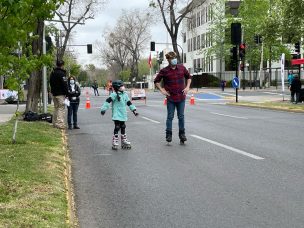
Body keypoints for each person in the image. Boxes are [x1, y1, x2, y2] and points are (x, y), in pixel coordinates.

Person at [154, 51, 192, 143]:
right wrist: (162, 90)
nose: (174, 59)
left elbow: (189, 77)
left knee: (181, 116)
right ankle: (168, 134)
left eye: (175, 57)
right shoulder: (164, 71)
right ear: (168, 60)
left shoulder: (182, 68)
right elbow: (156, 81)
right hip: (171, 97)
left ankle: (182, 135)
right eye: (172, 58)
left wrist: (187, 87)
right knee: (170, 117)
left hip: (181, 97)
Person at [100, 80, 138, 150]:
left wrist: (134, 110)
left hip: (123, 113)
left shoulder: (125, 94)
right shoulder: (114, 94)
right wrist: (103, 109)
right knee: (117, 127)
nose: (123, 87)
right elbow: (107, 101)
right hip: (116, 113)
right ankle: (115, 140)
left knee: (123, 126)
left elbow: (129, 103)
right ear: (117, 87)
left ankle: (124, 140)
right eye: (121, 86)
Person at [50, 60, 68, 129]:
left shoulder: (53, 73)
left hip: (54, 93)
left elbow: (51, 83)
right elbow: (64, 84)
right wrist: (67, 93)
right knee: (61, 108)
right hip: (61, 94)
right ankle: (60, 124)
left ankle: (54, 123)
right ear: (62, 65)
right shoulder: (62, 73)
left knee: (56, 108)